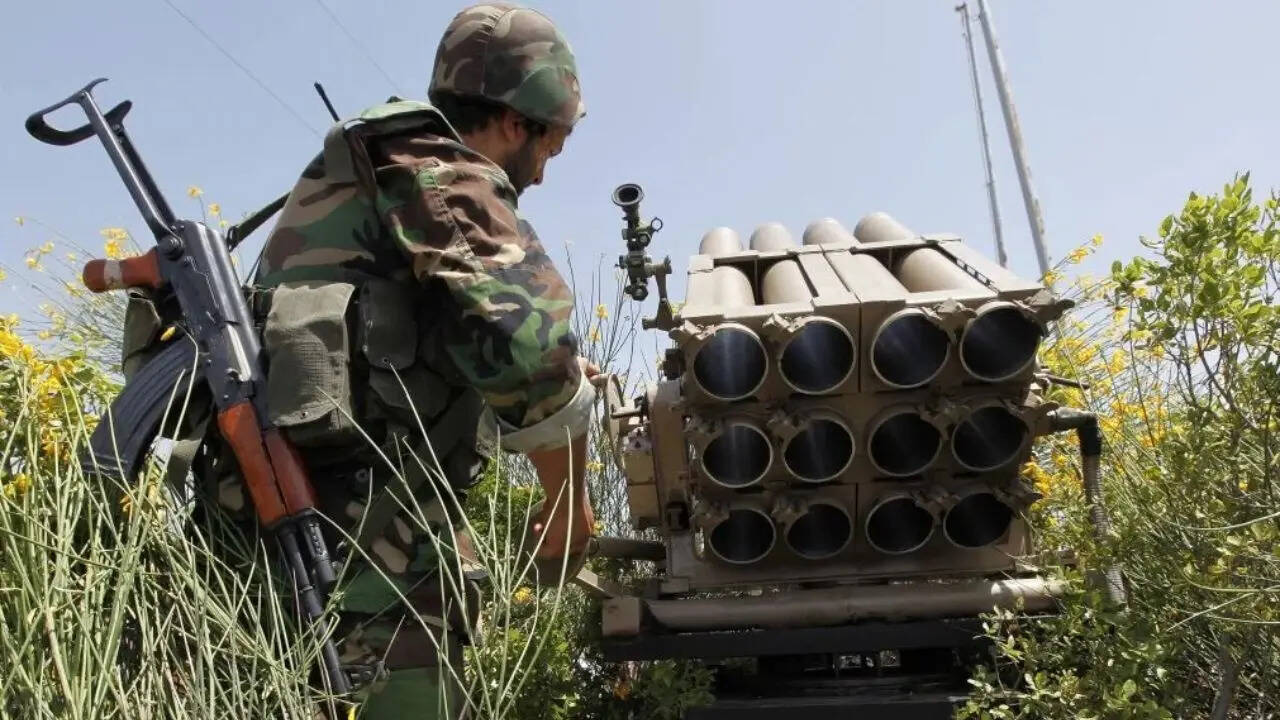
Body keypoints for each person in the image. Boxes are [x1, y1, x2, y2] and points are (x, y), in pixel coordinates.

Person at [241, 3, 597, 717]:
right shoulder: (438, 170)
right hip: (367, 567)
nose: (542, 174)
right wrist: (569, 504)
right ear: (515, 121)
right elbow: (532, 351)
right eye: (550, 148)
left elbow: (407, 350)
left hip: (294, 551)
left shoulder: (369, 171)